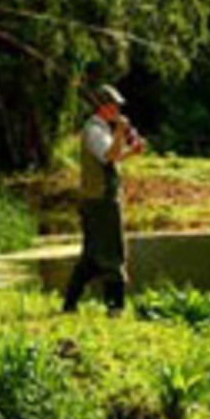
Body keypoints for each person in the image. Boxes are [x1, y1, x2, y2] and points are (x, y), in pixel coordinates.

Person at [62, 84, 145, 312]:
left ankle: (70, 304)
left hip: (100, 199)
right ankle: (115, 308)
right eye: (114, 105)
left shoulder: (102, 129)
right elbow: (108, 156)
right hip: (101, 201)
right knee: (114, 254)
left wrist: (131, 151)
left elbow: (113, 157)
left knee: (91, 257)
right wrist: (120, 132)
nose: (117, 109)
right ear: (104, 107)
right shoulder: (94, 130)